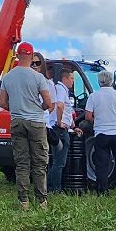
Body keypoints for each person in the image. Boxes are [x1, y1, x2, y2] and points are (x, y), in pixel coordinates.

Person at [0, 42, 54, 209]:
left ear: (17, 56)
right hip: (36, 122)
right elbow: (48, 103)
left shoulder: (7, 77)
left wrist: (16, 107)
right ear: (31, 57)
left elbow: (3, 103)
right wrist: (40, 108)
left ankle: (24, 201)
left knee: (22, 163)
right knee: (39, 163)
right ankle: (42, 201)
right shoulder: (38, 78)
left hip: (17, 121)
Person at [85, 68, 116, 197]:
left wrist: (98, 121)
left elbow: (88, 117)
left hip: (102, 134)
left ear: (99, 81)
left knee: (102, 165)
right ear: (112, 81)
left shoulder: (93, 96)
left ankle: (102, 192)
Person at [44, 59, 70, 194]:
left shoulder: (57, 88)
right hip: (58, 129)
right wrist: (60, 122)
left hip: (59, 127)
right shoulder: (59, 88)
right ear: (65, 78)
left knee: (58, 161)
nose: (72, 81)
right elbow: (59, 105)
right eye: (71, 78)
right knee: (59, 162)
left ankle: (50, 186)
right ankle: (54, 188)